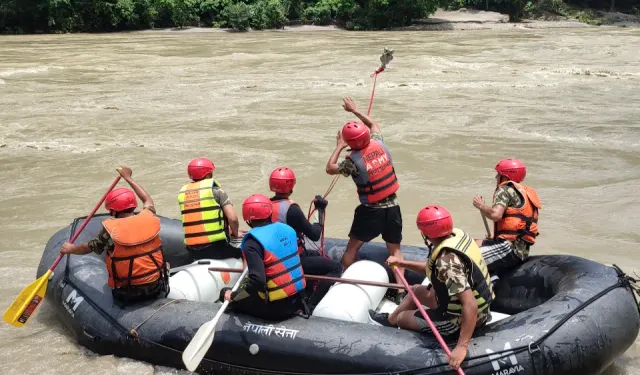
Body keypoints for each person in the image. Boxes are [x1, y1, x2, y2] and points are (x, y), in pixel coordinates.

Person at [369, 205, 494, 371]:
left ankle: (400, 323)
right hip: (470, 307)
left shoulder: (447, 262)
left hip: (460, 319)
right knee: (416, 290)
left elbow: (469, 304)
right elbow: (430, 267)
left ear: (426, 234)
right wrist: (401, 263)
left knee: (403, 318)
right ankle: (390, 321)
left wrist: (462, 347)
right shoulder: (458, 237)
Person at [60, 167, 169, 305]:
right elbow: (147, 199)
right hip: (157, 287)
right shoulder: (149, 216)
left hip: (129, 293)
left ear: (113, 210)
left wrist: (70, 249)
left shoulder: (111, 231)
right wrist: (128, 178)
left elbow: (87, 248)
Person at [325, 96, 404, 277]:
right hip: (393, 208)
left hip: (370, 211)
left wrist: (338, 147)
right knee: (396, 253)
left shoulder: (352, 162)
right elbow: (374, 124)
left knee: (351, 250)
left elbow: (330, 169)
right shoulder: (379, 143)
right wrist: (354, 110)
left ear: (349, 143)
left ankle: (344, 281)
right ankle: (401, 292)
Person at [220, 194, 307, 321]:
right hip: (298, 300)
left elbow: (257, 282)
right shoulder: (289, 230)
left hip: (276, 308)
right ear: (270, 212)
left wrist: (233, 296)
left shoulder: (252, 242)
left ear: (248, 219)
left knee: (225, 292)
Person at [268, 166, 343, 312]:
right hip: (292, 260)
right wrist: (320, 210)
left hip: (273, 258)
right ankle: (312, 305)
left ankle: (305, 293)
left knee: (315, 255)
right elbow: (315, 234)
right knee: (336, 267)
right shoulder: (292, 209)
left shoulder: (266, 205)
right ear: (292, 186)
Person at [473, 158, 541, 283]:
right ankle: (493, 277)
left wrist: (481, 205)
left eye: (498, 174)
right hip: (520, 250)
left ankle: (488, 288)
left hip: (509, 250)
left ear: (505, 177)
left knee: (464, 257)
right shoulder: (525, 193)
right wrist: (497, 235)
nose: (496, 177)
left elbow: (496, 215)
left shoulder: (504, 190)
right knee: (472, 243)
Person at [177, 157, 243, 262]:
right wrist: (235, 234)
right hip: (215, 248)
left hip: (192, 249)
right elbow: (233, 219)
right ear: (207, 175)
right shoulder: (217, 191)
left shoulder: (182, 194)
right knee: (246, 253)